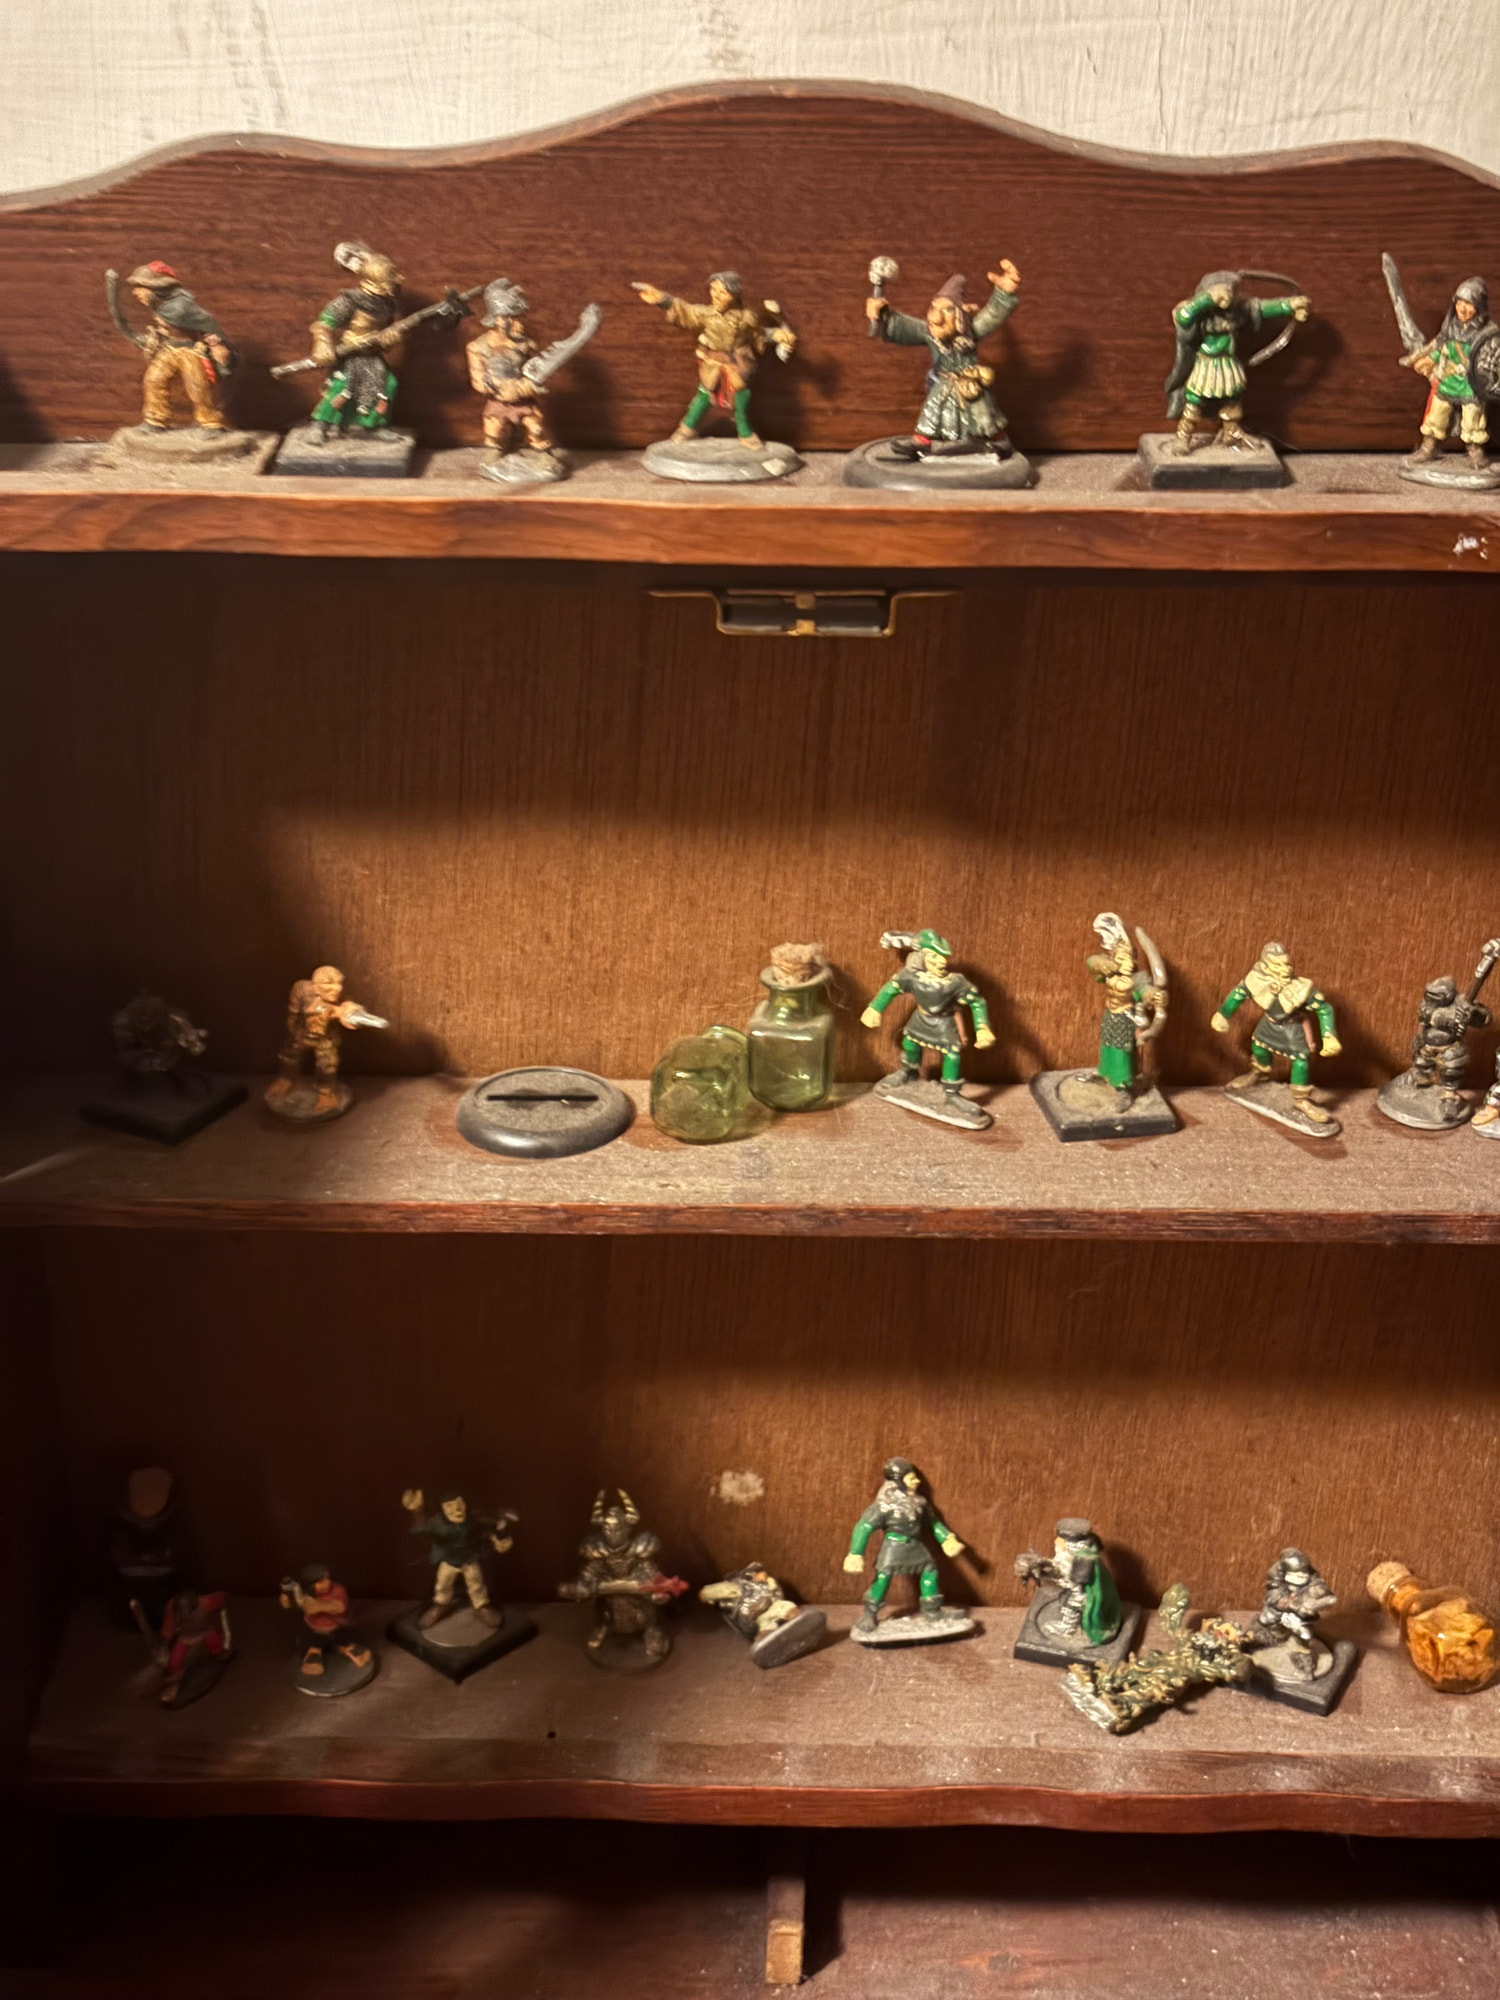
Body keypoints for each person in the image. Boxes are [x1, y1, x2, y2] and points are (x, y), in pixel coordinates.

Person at [866, 264, 1020, 459]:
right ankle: (921, 443)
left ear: (959, 315)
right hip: (944, 382)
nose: (937, 317)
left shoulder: (971, 332)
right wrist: (883, 315)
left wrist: (1003, 294)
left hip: (969, 383)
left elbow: (992, 315)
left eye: (946, 310)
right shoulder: (929, 334)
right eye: (934, 308)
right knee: (932, 410)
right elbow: (906, 327)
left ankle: (1000, 441)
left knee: (984, 414)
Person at [122, 262, 234, 433]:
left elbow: (205, 325)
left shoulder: (182, 308)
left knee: (197, 387)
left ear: (156, 288)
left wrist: (216, 345)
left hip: (190, 351)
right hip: (170, 349)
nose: (135, 293)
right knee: (154, 379)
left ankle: (211, 423)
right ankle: (155, 420)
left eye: (140, 287)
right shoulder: (160, 307)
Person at [1402, 277, 1499, 473]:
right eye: (1460, 303)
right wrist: (1430, 360)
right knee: (1436, 415)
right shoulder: (1450, 328)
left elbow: (1489, 359)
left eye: (1469, 304)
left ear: (1479, 307)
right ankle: (1428, 447)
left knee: (1473, 420)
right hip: (1448, 380)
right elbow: (1443, 349)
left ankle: (1475, 451)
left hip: (1471, 386)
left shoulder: (1488, 334)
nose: (1463, 309)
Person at [401, 1489, 515, 1630]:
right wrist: (417, 1511)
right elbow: (420, 1529)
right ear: (443, 1510)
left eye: (459, 1503)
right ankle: (441, 1604)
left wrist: (500, 1530)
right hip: (449, 1560)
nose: (457, 1509)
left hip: (469, 1558)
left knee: (476, 1584)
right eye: (450, 1506)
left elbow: (490, 1524)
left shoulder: (472, 1519)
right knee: (443, 1584)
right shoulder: (437, 1523)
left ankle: (482, 1606)